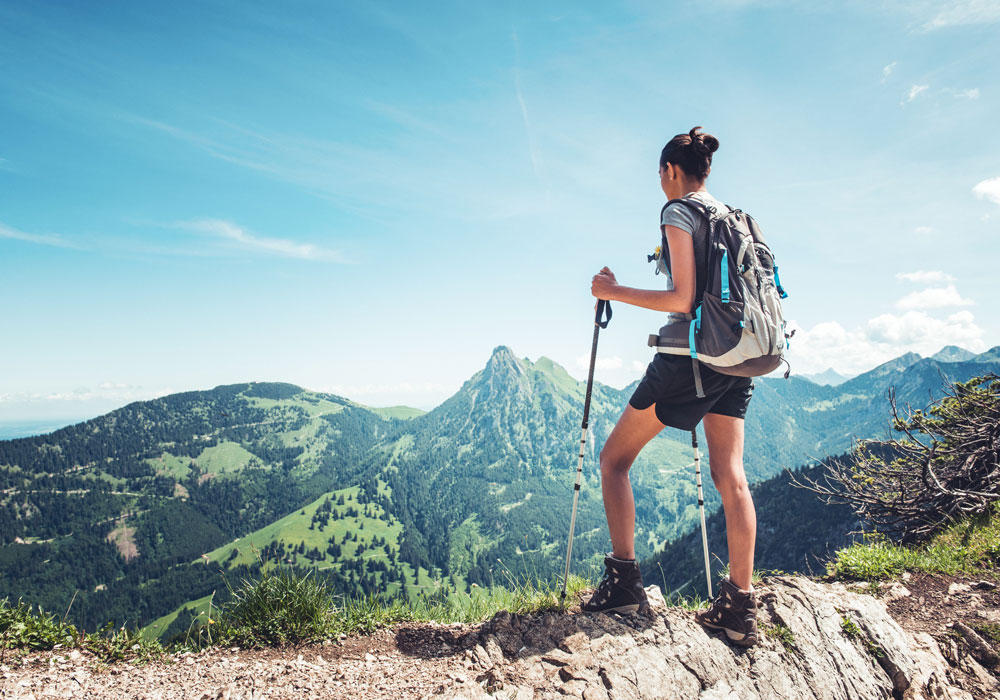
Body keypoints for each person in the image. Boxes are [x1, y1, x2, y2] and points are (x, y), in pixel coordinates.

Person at [582, 126, 759, 647]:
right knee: (733, 476)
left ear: (670, 172)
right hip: (739, 358)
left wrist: (611, 290)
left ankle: (624, 585)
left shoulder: (678, 212)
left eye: (660, 173)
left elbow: (682, 300)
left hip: (688, 361)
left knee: (613, 461)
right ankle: (739, 608)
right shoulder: (736, 217)